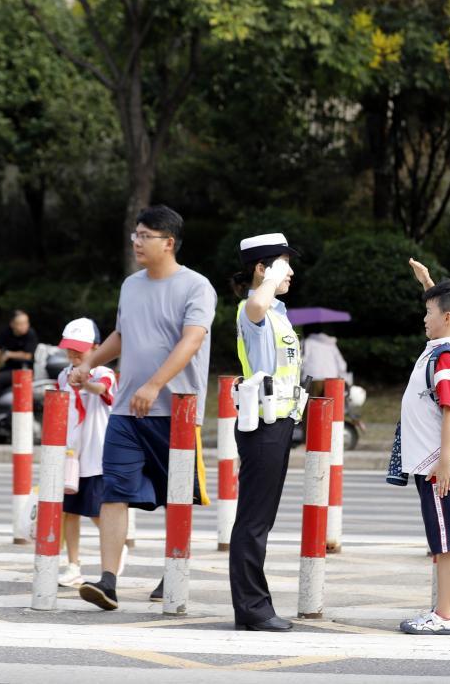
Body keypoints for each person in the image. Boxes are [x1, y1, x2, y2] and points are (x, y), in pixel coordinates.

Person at [72, 205, 216, 611]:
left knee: (177, 498)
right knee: (114, 490)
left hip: (176, 413)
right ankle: (108, 581)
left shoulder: (197, 287)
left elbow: (191, 341)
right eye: (135, 234)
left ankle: (174, 569)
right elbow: (121, 334)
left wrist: (156, 385)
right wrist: (89, 363)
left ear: (168, 243)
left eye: (145, 236)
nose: (136, 241)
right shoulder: (131, 285)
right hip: (125, 411)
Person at [228, 232, 305, 632]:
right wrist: (271, 280)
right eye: (282, 263)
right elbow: (256, 302)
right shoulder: (253, 309)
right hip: (262, 425)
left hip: (278, 423)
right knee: (254, 520)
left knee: (261, 518)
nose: (290, 271)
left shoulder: (277, 312)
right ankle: (253, 608)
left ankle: (253, 606)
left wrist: (273, 284)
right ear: (262, 268)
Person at [398, 258, 450, 635]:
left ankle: (445, 616)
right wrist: (428, 283)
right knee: (443, 542)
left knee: (449, 545)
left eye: (428, 311)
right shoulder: (444, 347)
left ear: (446, 318)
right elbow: (442, 306)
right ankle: (443, 611)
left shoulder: (445, 357)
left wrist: (444, 462)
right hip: (436, 465)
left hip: (439, 467)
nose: (423, 317)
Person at [55, 318, 118, 588]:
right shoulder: (62, 375)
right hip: (71, 454)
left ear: (95, 347)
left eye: (79, 349)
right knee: (69, 511)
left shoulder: (103, 372)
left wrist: (85, 383)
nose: (73, 354)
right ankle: (73, 565)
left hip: (96, 453)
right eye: (69, 349)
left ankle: (117, 546)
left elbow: (103, 391)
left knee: (95, 511)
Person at [300, 325, 349, 398]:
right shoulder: (331, 344)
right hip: (331, 380)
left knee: (308, 406)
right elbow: (342, 366)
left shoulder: (306, 342)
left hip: (309, 379)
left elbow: (300, 362)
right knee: (329, 407)